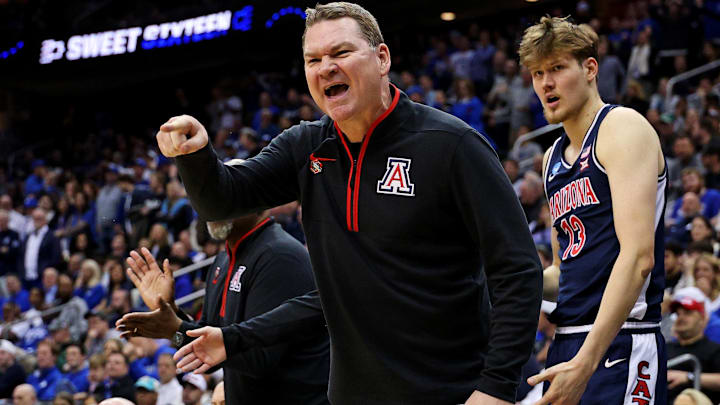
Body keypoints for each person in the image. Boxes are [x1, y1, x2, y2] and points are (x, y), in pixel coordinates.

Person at [148, 2, 542, 404]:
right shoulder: (306, 146)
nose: (326, 68)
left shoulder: (452, 145)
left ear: (382, 58)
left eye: (341, 53)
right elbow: (222, 200)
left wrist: (496, 385)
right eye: (313, 59)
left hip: (451, 391)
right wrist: (195, 156)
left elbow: (518, 270)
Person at [518, 16, 668, 404]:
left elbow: (638, 258)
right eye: (537, 73)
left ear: (589, 68)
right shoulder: (551, 157)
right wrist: (507, 280)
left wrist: (587, 361)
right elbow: (561, 269)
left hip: (620, 341)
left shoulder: (621, 127)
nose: (546, 83)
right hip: (568, 342)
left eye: (556, 68)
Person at [118, 196, 330, 404]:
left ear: (259, 205)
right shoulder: (223, 260)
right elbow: (210, 354)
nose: (212, 205)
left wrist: (176, 328)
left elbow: (260, 358)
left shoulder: (280, 255)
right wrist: (170, 314)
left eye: (225, 193)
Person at [666, 287, 720, 403]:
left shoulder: (714, 349)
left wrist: (689, 377)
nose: (680, 318)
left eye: (687, 313)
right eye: (678, 313)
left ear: (703, 318)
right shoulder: (664, 348)